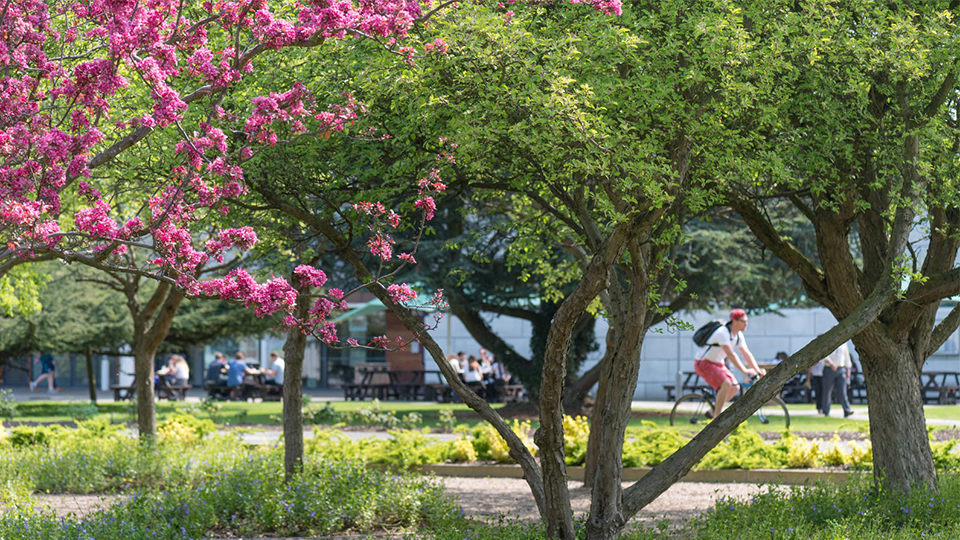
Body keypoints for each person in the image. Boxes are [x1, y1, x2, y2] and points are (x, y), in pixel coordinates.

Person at [693, 309, 764, 419]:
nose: (746, 324)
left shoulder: (738, 335)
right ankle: (717, 418)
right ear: (734, 321)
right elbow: (731, 355)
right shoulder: (723, 333)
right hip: (703, 363)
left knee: (735, 387)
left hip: (718, 364)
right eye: (743, 321)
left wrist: (757, 369)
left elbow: (746, 353)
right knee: (726, 384)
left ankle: (713, 410)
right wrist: (745, 371)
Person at [821, 342, 854, 417]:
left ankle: (847, 410)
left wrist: (848, 369)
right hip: (829, 368)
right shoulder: (828, 342)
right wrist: (831, 363)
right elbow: (824, 355)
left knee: (842, 390)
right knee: (827, 391)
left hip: (840, 368)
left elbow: (846, 357)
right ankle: (826, 410)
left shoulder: (843, 344)